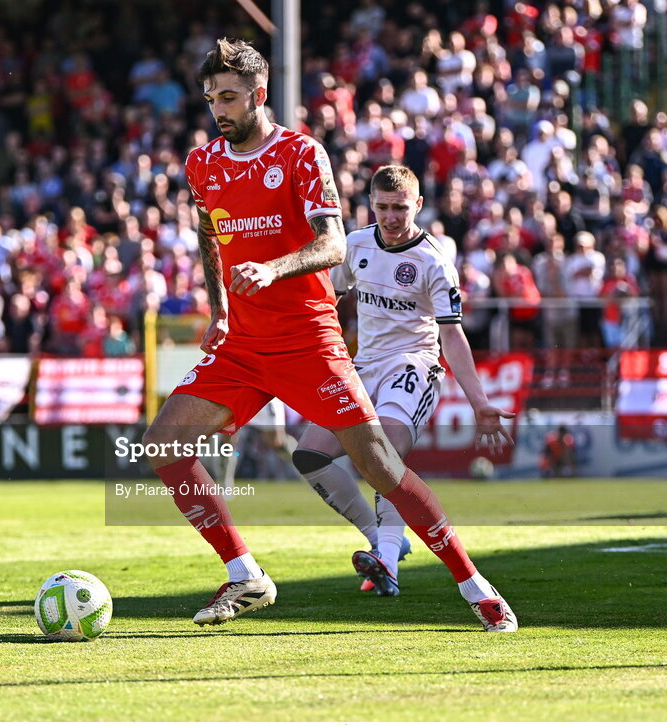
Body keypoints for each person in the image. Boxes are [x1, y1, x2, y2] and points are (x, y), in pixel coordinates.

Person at [142, 39, 517, 632]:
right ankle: (245, 576)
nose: (219, 109)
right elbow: (208, 238)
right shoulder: (203, 162)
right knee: (163, 447)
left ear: (259, 95)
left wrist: (272, 268)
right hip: (243, 346)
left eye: (231, 97)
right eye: (212, 97)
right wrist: (219, 309)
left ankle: (475, 585)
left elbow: (334, 244)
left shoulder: (300, 154)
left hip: (308, 340)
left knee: (381, 466)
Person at [294, 165, 515, 598]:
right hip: (363, 366)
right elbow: (324, 300)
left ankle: (388, 562)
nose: (390, 217)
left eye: (399, 208)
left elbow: (452, 333)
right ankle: (379, 541)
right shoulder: (355, 245)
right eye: (382, 207)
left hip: (413, 366)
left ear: (417, 205)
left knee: (386, 451)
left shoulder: (433, 261)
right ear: (370, 205)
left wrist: (479, 401)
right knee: (309, 455)